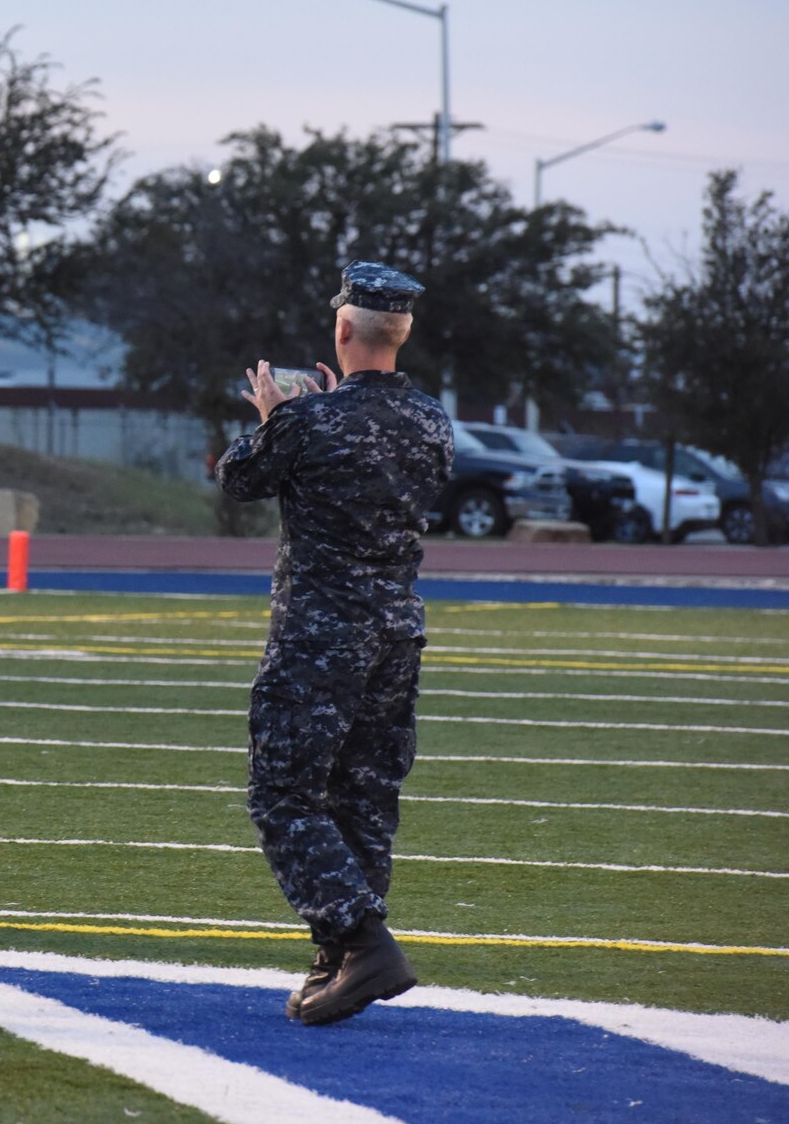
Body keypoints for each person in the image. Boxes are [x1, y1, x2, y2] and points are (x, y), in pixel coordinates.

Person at [214, 261, 453, 1026]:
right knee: (364, 797)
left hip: (321, 633)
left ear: (343, 329)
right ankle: (338, 960)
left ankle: (360, 939)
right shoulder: (432, 420)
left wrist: (275, 415)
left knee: (283, 792)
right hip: (396, 632)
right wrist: (311, 418)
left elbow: (239, 479)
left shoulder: (307, 422)